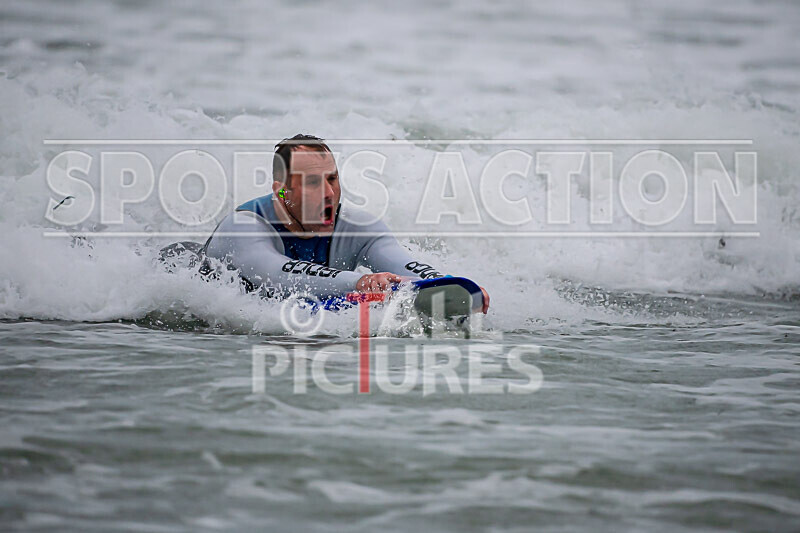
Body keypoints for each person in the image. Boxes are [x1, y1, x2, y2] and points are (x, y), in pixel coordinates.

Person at [203, 134, 490, 312]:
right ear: (282, 190)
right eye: (313, 182)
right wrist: (360, 282)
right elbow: (275, 275)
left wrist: (443, 285)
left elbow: (400, 263)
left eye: (332, 179)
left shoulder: (358, 225)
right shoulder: (243, 227)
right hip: (191, 284)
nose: (329, 193)